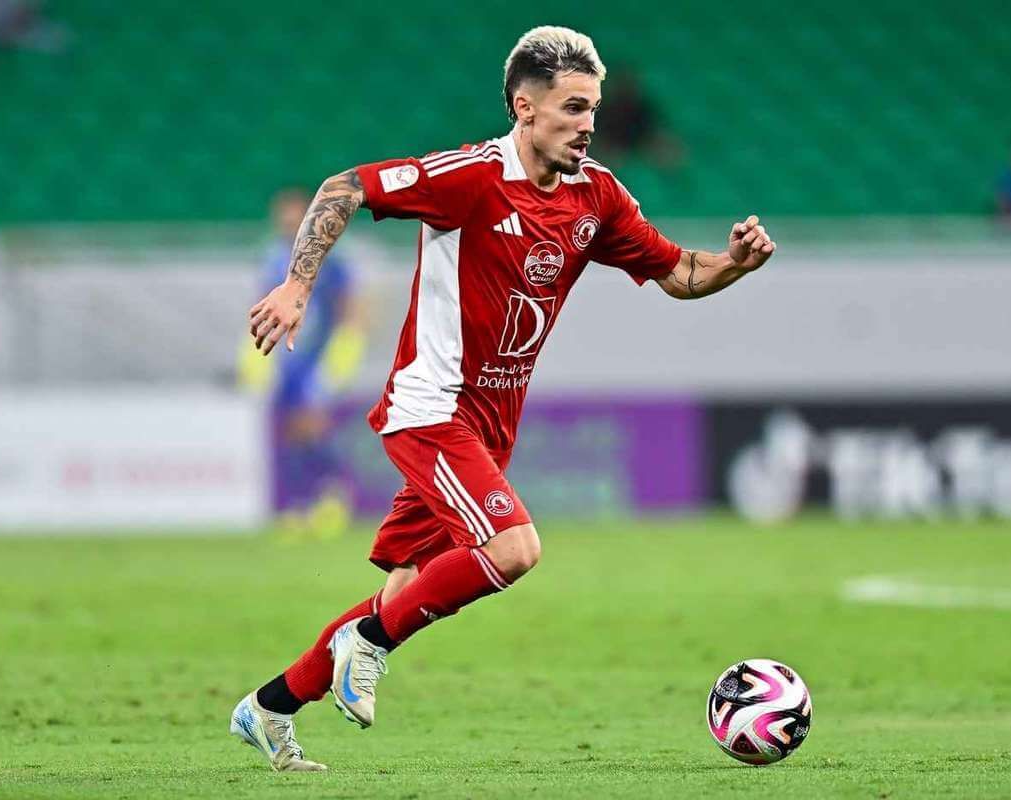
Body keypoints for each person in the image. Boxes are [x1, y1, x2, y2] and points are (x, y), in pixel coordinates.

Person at [230, 25, 777, 772]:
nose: (588, 124)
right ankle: (367, 644)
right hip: (432, 408)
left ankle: (270, 707)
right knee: (513, 549)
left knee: (405, 592)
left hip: (491, 427)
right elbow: (342, 188)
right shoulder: (471, 177)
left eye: (593, 108)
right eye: (573, 107)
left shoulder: (597, 196)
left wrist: (734, 264)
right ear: (525, 107)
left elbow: (680, 273)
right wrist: (298, 286)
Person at [237, 188, 366, 537]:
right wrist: (255, 351)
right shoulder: (273, 257)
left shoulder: (331, 259)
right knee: (291, 432)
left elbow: (348, 307)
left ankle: (333, 495)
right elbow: (263, 302)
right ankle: (300, 503)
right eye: (283, 217)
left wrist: (345, 349)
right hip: (287, 357)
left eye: (295, 217)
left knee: (312, 426)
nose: (288, 223)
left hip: (318, 355)